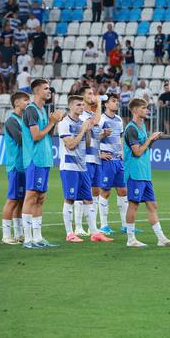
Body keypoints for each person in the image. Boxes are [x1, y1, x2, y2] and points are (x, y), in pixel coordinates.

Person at [123, 98, 170, 248]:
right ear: (135, 110)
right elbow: (137, 152)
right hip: (135, 173)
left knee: (152, 205)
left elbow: (145, 149)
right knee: (133, 205)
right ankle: (130, 239)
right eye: (143, 108)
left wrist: (153, 140)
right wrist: (149, 139)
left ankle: (161, 238)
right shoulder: (131, 129)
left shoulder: (142, 127)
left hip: (145, 173)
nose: (146, 110)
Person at [58, 95, 114, 243]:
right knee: (69, 199)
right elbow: (70, 145)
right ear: (70, 106)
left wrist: (88, 131)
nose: (81, 107)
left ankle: (94, 233)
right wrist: (83, 130)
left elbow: (88, 144)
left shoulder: (83, 122)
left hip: (82, 167)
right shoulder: (64, 123)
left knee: (88, 199)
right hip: (69, 167)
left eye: (82, 105)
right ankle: (70, 234)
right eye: (78, 105)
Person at [21, 79, 65, 248]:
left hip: (45, 159)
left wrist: (54, 122)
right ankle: (27, 239)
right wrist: (52, 122)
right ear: (37, 91)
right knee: (31, 196)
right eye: (46, 88)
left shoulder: (42, 111)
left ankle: (38, 237)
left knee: (40, 198)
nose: (49, 91)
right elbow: (36, 136)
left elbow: (47, 134)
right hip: (34, 159)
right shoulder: (31, 110)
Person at [73, 86, 106, 237]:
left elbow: (96, 133)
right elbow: (94, 122)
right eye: (90, 94)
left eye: (94, 93)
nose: (93, 96)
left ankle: (92, 226)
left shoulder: (93, 114)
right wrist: (99, 104)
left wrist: (103, 135)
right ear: (82, 97)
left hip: (96, 158)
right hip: (84, 159)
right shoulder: (81, 114)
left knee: (96, 191)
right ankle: (78, 226)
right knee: (81, 193)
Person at [1, 92, 30, 245]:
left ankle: (19, 233)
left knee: (20, 201)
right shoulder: (11, 121)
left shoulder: (22, 120)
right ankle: (6, 235)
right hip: (15, 166)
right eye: (26, 100)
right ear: (17, 102)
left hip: (23, 166)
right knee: (12, 200)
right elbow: (20, 139)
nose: (28, 103)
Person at [97, 93, 128, 235]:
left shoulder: (119, 119)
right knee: (105, 191)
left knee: (123, 191)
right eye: (113, 101)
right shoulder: (102, 119)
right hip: (107, 160)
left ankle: (125, 225)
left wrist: (122, 152)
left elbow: (120, 137)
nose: (116, 103)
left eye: (117, 101)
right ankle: (104, 225)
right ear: (106, 104)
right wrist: (99, 154)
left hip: (118, 160)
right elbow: (94, 137)